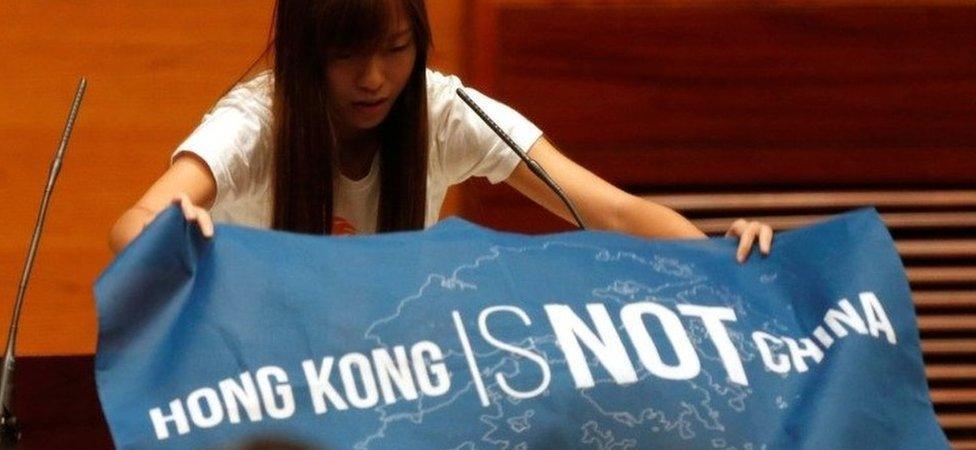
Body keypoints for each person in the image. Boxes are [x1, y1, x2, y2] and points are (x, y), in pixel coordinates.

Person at [108, 0, 773, 263]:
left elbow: (615, 210)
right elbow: (133, 218)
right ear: (307, 53)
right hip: (265, 381)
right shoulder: (262, 118)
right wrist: (166, 233)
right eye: (347, 54)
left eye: (395, 49)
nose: (373, 78)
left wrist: (725, 262)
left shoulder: (442, 109)